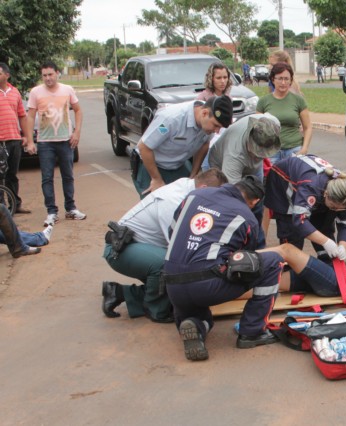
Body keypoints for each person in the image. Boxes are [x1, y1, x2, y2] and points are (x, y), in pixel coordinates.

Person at [163, 176, 284, 361]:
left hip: (172, 284)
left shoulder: (194, 195)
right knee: (273, 261)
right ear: (255, 201)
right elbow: (246, 260)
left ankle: (196, 325)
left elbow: (173, 232)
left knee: (200, 317)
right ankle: (252, 332)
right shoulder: (246, 216)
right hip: (208, 285)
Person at [101, 168, 227, 323]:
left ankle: (118, 292)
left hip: (144, 248)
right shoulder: (173, 200)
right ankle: (155, 309)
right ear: (204, 189)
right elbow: (178, 245)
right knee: (170, 265)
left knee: (179, 282)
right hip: (121, 250)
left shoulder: (189, 191)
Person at [132, 96, 233, 198]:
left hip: (178, 164)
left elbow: (204, 144)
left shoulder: (208, 122)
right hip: (151, 164)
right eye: (216, 126)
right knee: (155, 204)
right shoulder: (170, 119)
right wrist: (156, 179)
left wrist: (193, 173)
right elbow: (144, 147)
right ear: (204, 113)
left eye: (220, 127)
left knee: (187, 201)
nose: (217, 131)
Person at [208, 113, 281, 248]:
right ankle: (230, 244)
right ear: (249, 138)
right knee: (228, 206)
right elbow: (235, 196)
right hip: (221, 164)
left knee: (258, 201)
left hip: (252, 167)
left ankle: (256, 246)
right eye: (257, 151)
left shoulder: (273, 123)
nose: (259, 154)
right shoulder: (234, 154)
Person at [25, 61, 85, 227]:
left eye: (50, 74)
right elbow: (30, 116)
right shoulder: (36, 92)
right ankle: (52, 212)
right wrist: (30, 141)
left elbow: (78, 110)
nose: (47, 78)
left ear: (57, 73)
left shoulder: (67, 90)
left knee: (68, 175)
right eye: (44, 75)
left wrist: (77, 132)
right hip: (45, 143)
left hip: (66, 141)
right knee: (47, 178)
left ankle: (71, 209)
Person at [264, 154, 346, 261]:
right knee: (292, 233)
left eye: (340, 209)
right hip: (282, 181)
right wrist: (325, 242)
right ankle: (289, 265)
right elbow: (300, 220)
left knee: (325, 223)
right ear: (326, 194)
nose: (336, 211)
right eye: (334, 207)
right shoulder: (311, 187)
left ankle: (325, 258)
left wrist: (342, 246)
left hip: (315, 189)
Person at [257, 62, 312, 163]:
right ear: (273, 79)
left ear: (291, 80)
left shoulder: (298, 100)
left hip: (294, 150)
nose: (283, 82)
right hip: (271, 152)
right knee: (271, 178)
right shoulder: (263, 101)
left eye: (286, 79)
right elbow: (257, 130)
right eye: (280, 78)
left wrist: (304, 148)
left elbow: (307, 127)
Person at [0, 62, 36, 214]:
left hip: (14, 140)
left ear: (7, 75)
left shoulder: (15, 92)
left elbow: (22, 116)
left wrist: (27, 137)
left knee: (12, 175)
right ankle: (2, 209)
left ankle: (15, 204)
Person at [195, 62, 233, 172]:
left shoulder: (228, 98)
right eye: (219, 78)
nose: (223, 81)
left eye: (225, 77)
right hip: (207, 144)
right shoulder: (202, 97)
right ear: (211, 79)